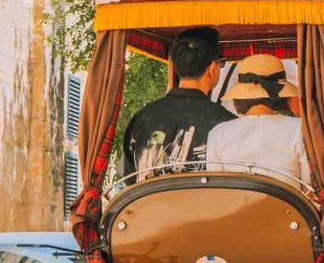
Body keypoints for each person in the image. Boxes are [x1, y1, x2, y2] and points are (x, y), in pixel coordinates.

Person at [121, 27, 235, 177]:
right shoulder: (229, 124)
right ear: (212, 68)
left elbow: (129, 178)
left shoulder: (141, 119)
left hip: (147, 200)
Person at [204, 54, 310, 184]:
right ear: (281, 94)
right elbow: (308, 187)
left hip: (237, 204)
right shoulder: (300, 129)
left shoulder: (218, 133)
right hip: (287, 204)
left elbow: (216, 187)